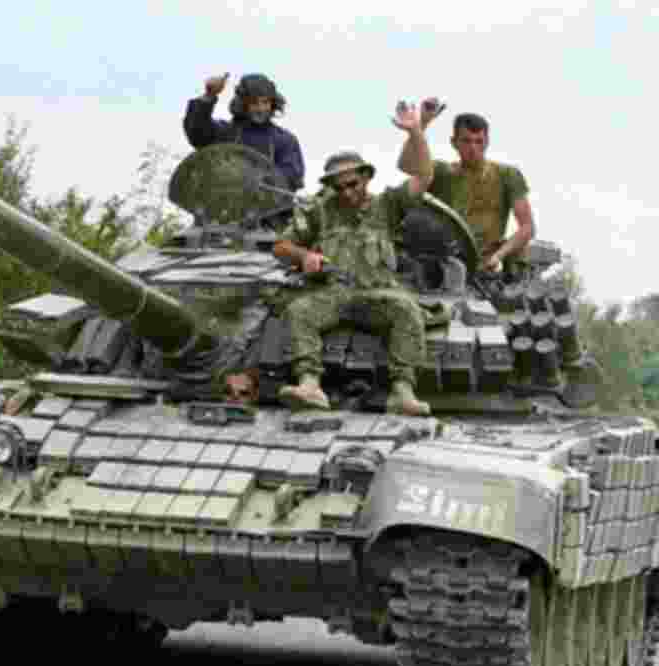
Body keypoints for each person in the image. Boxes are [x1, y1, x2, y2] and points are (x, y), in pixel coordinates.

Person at [273, 100, 442, 416]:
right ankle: (310, 386)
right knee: (299, 311)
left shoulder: (387, 206)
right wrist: (304, 255)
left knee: (406, 310)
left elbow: (423, 176)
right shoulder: (318, 212)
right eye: (338, 188)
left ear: (366, 178)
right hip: (333, 294)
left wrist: (416, 132)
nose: (347, 192)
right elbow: (280, 247)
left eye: (352, 184)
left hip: (376, 293)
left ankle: (402, 391)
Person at [398, 104, 536, 277]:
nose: (473, 148)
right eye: (466, 140)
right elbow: (406, 165)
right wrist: (418, 127)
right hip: (445, 263)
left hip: (486, 267)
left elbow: (527, 227)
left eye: (479, 141)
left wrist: (498, 256)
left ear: (487, 142)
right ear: (454, 142)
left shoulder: (507, 175)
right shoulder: (441, 172)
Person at [183, 72, 305, 191]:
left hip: (269, 209)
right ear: (242, 104)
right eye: (254, 103)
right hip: (225, 206)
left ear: (273, 104)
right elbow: (197, 133)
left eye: (265, 102)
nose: (261, 109)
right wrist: (209, 95)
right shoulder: (225, 133)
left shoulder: (284, 140)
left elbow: (292, 176)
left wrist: (260, 179)